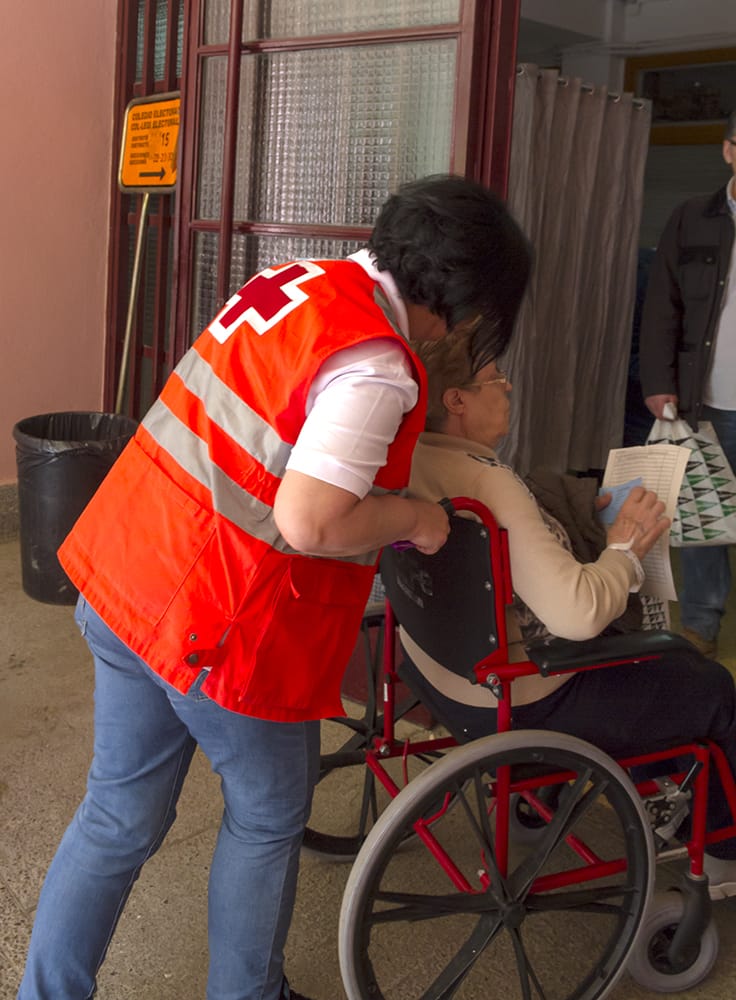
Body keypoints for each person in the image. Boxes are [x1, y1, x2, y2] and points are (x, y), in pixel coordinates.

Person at [16, 175, 532, 1000]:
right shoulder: (374, 365)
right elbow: (312, 523)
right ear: (464, 299)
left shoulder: (300, 283)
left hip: (126, 575)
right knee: (265, 814)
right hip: (210, 622)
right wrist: (414, 515)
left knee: (116, 818)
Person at [403, 332, 736, 895]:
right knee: (705, 684)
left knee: (649, 676)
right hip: (520, 701)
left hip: (439, 679)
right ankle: (726, 852)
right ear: (457, 400)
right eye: (496, 379)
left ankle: (555, 794)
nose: (508, 388)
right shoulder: (489, 483)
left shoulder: (406, 459)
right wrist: (625, 548)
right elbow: (577, 615)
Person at [639, 110, 736, 657]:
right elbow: (662, 309)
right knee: (703, 518)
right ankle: (701, 622)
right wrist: (658, 380)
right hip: (707, 401)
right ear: (728, 149)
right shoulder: (690, 219)